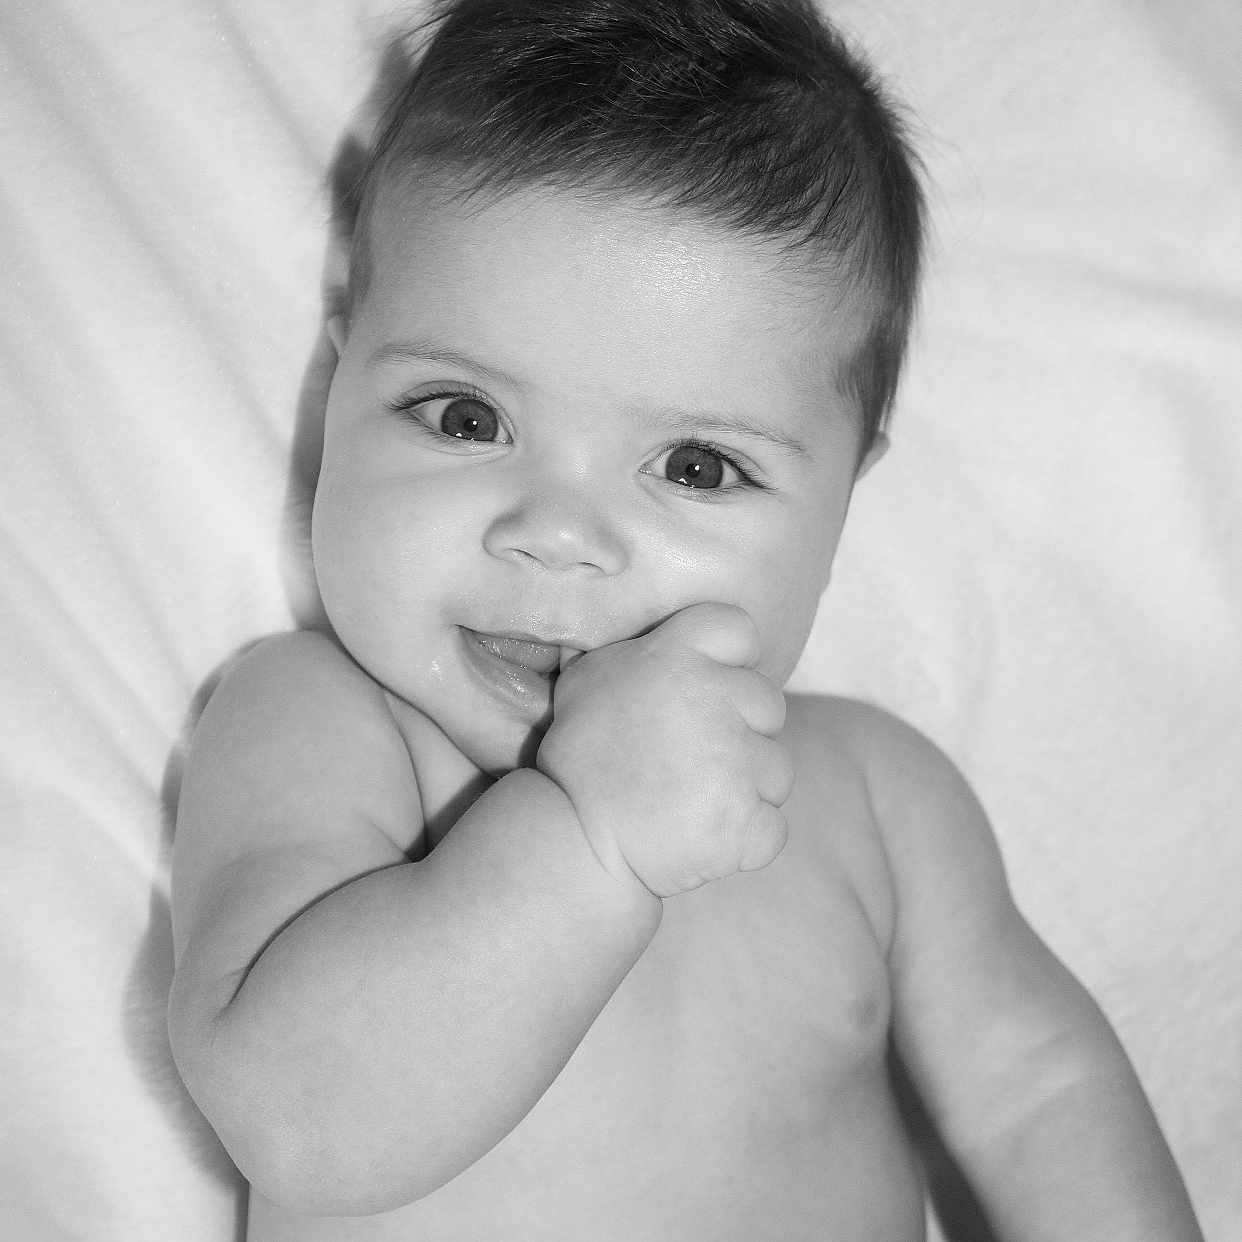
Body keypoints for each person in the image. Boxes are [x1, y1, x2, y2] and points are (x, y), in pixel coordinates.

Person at [167, 1, 1205, 1238]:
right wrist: (590, 839)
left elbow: (1039, 1098)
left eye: (700, 468)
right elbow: (302, 1123)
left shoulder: (876, 801)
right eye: (462, 416)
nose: (554, 533)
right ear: (340, 386)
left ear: (844, 491)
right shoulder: (318, 730)